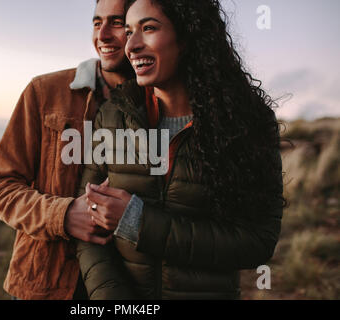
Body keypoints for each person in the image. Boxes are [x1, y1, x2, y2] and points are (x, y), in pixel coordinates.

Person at [77, 0, 286, 299]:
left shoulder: (247, 121)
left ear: (188, 37)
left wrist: (138, 222)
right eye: (130, 30)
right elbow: (88, 225)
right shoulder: (111, 115)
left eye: (148, 28)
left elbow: (257, 241)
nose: (131, 45)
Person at [0, 0, 133, 300]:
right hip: (43, 287)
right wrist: (62, 215)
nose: (102, 35)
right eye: (96, 22)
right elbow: (0, 189)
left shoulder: (165, 101)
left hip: (126, 288)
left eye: (116, 22)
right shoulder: (44, 92)